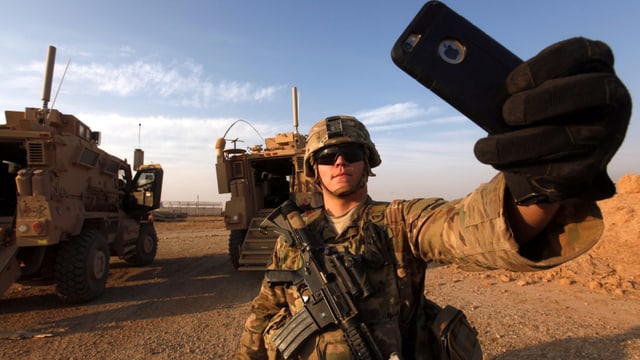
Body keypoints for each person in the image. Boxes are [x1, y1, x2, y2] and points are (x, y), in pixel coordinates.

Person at [236, 37, 631, 359]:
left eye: (351, 154)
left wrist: (542, 182)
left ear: (368, 163)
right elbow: (265, 310)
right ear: (314, 170)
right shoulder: (293, 236)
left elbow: (469, 230)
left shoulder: (401, 221)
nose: (340, 162)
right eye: (327, 156)